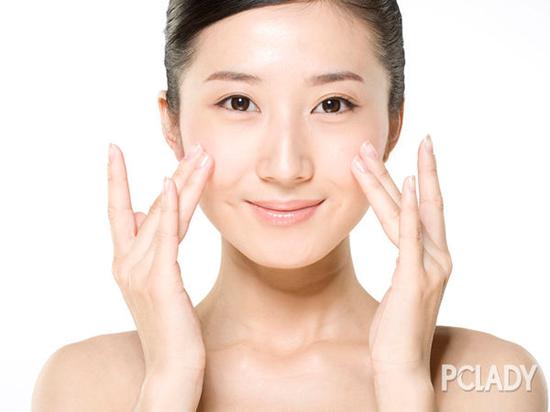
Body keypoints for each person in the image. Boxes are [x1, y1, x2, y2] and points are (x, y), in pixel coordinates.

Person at [31, 1, 547, 410]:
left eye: (332, 104)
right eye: (238, 103)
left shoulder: (493, 382)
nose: (285, 166)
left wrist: (404, 381)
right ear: (173, 124)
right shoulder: (84, 386)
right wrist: (169, 381)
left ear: (392, 124)